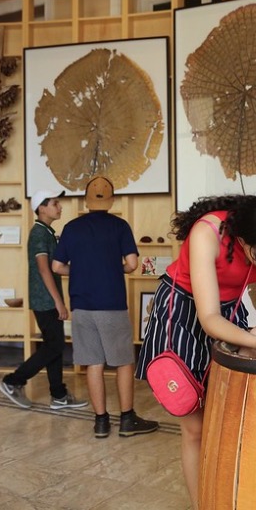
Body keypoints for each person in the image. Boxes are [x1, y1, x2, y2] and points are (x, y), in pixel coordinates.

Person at [135, 194, 256, 509]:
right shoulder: (207, 232)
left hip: (227, 308)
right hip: (183, 306)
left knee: (232, 412)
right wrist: (253, 343)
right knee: (194, 425)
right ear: (240, 238)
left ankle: (229, 493)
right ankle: (202, 504)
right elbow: (208, 319)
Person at [52, 176, 158, 439]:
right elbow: (132, 264)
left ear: (86, 200)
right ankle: (126, 419)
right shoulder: (120, 226)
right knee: (123, 362)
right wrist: (113, 269)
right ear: (111, 200)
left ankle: (100, 422)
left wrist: (79, 272)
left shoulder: (72, 227)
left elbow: (56, 267)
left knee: (93, 362)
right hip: (112, 305)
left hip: (82, 307)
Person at [0, 190, 88, 411]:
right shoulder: (39, 234)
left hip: (47, 299)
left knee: (53, 345)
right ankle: (13, 381)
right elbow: (44, 269)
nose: (60, 207)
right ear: (42, 208)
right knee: (55, 345)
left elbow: (56, 269)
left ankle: (58, 395)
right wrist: (59, 302)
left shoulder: (46, 232)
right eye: (56, 203)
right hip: (45, 300)